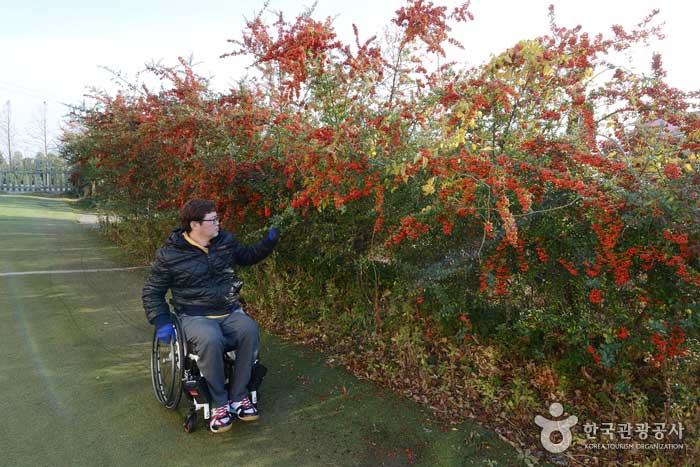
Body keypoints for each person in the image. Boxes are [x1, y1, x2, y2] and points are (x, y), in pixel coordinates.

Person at [142, 199, 279, 433]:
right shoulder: (170, 255)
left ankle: (238, 397)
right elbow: (152, 292)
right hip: (193, 314)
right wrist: (162, 321)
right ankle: (219, 403)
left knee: (249, 330)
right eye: (213, 220)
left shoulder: (224, 241)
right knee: (210, 338)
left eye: (217, 218)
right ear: (195, 225)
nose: (218, 223)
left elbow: (246, 256)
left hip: (228, 309)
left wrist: (268, 243)